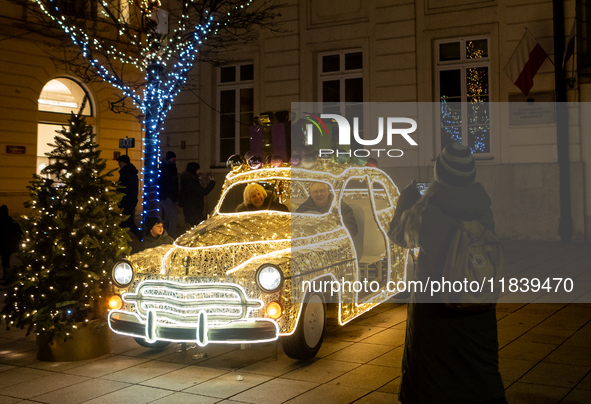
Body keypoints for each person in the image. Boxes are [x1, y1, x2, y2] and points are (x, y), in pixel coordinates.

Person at [387, 143, 506, 404]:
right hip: (477, 307)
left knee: (433, 380)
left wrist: (407, 199)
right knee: (478, 373)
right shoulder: (483, 208)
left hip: (437, 312)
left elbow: (397, 234)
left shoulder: (425, 211)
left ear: (439, 174)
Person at [116, 155, 143, 241]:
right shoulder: (128, 172)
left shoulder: (127, 173)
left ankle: (142, 237)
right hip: (128, 201)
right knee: (124, 223)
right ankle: (119, 240)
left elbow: (125, 189)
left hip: (128, 202)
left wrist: (122, 199)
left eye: (120, 162)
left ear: (124, 163)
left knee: (129, 223)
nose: (118, 164)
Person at [159, 151, 179, 238]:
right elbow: (165, 183)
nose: (174, 159)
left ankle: (163, 235)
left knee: (168, 217)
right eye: (172, 158)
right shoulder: (165, 168)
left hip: (171, 196)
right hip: (168, 196)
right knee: (172, 218)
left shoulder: (171, 168)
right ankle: (172, 237)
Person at [0, 205, 22, 281]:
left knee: (5, 261)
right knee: (6, 261)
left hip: (4, 244)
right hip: (7, 244)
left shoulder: (4, 221)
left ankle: (7, 276)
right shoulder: (9, 220)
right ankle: (7, 275)